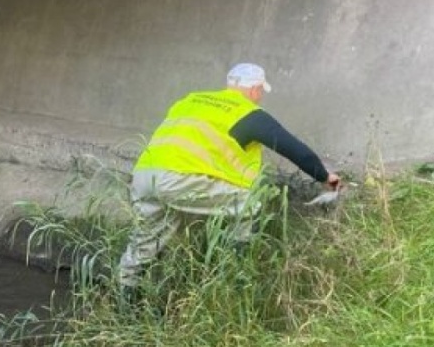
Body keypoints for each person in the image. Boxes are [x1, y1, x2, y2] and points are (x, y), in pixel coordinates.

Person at [118, 62, 341, 289]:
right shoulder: (248, 113)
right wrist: (324, 176)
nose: (260, 96)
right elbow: (293, 148)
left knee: (145, 243)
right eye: (260, 91)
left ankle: (124, 302)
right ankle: (236, 276)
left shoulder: (191, 100)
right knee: (249, 202)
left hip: (145, 175)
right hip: (180, 180)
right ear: (255, 90)